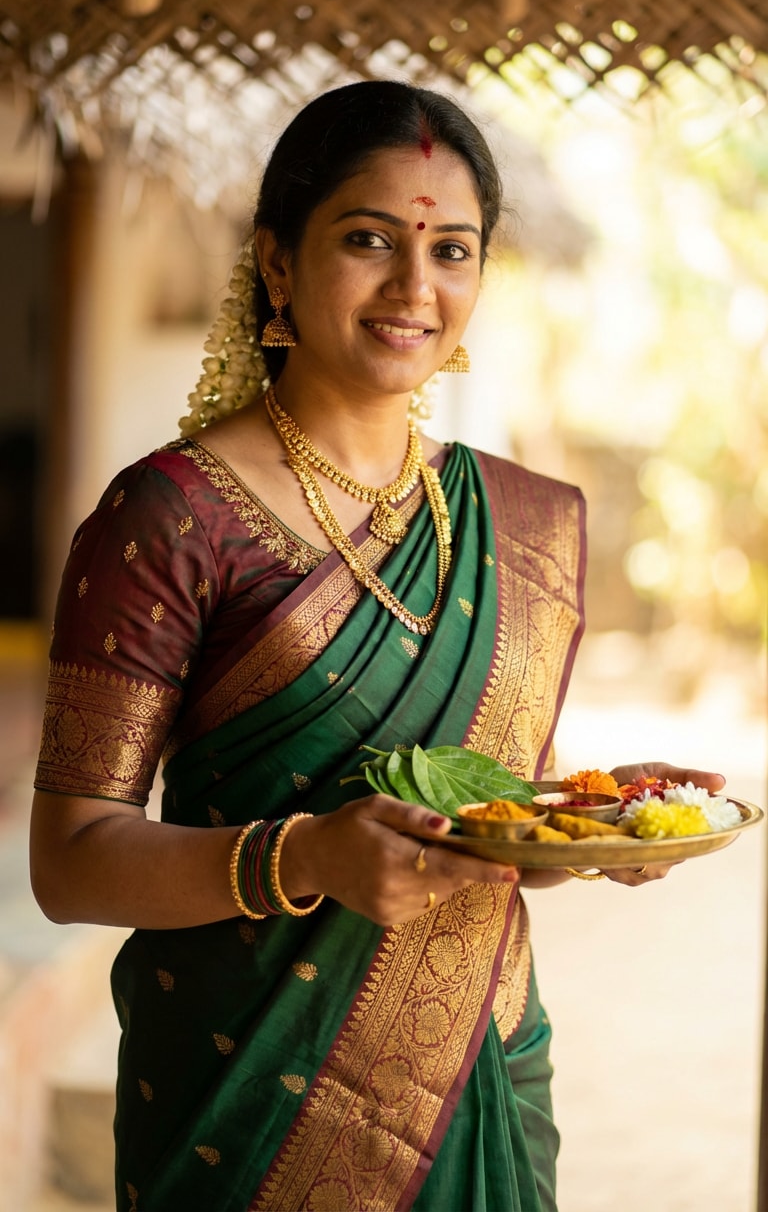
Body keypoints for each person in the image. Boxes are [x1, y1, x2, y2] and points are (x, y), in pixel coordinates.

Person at [30, 81, 724, 1212]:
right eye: (368, 239)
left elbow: (488, 811)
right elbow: (70, 861)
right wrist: (305, 858)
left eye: (452, 250)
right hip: (244, 1103)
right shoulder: (168, 517)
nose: (415, 287)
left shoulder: (521, 521)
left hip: (478, 1067)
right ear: (278, 262)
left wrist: (596, 825)